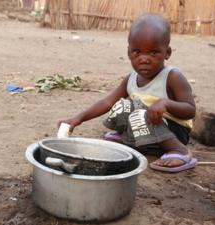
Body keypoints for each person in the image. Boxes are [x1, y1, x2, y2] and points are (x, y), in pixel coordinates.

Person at [58, 14, 197, 173]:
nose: (144, 59)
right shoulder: (130, 79)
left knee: (140, 114)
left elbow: (190, 110)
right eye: (137, 52)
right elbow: (107, 103)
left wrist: (166, 104)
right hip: (147, 127)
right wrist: (78, 119)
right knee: (122, 106)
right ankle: (129, 136)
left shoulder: (172, 77)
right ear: (129, 52)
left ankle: (180, 152)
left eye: (153, 53)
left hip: (174, 133)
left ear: (167, 53)